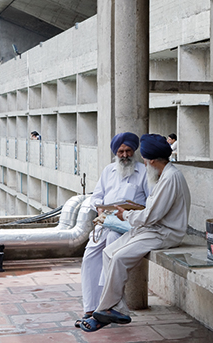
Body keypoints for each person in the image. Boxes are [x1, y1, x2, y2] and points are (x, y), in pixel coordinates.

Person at [80, 134, 191, 332]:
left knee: (119, 258)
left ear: (151, 161)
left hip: (164, 233)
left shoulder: (169, 178)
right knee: (108, 252)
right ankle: (115, 308)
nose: (145, 163)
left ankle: (106, 309)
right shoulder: (162, 175)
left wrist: (126, 215)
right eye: (120, 151)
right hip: (149, 228)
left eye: (146, 160)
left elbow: (151, 215)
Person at [76, 132, 150, 328]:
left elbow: (150, 203)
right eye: (120, 151)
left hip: (127, 225)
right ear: (115, 153)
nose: (124, 155)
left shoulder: (144, 172)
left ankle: (108, 306)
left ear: (134, 151)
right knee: (90, 255)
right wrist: (100, 208)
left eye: (128, 151)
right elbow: (97, 196)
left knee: (110, 249)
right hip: (105, 221)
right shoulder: (108, 170)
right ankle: (90, 308)